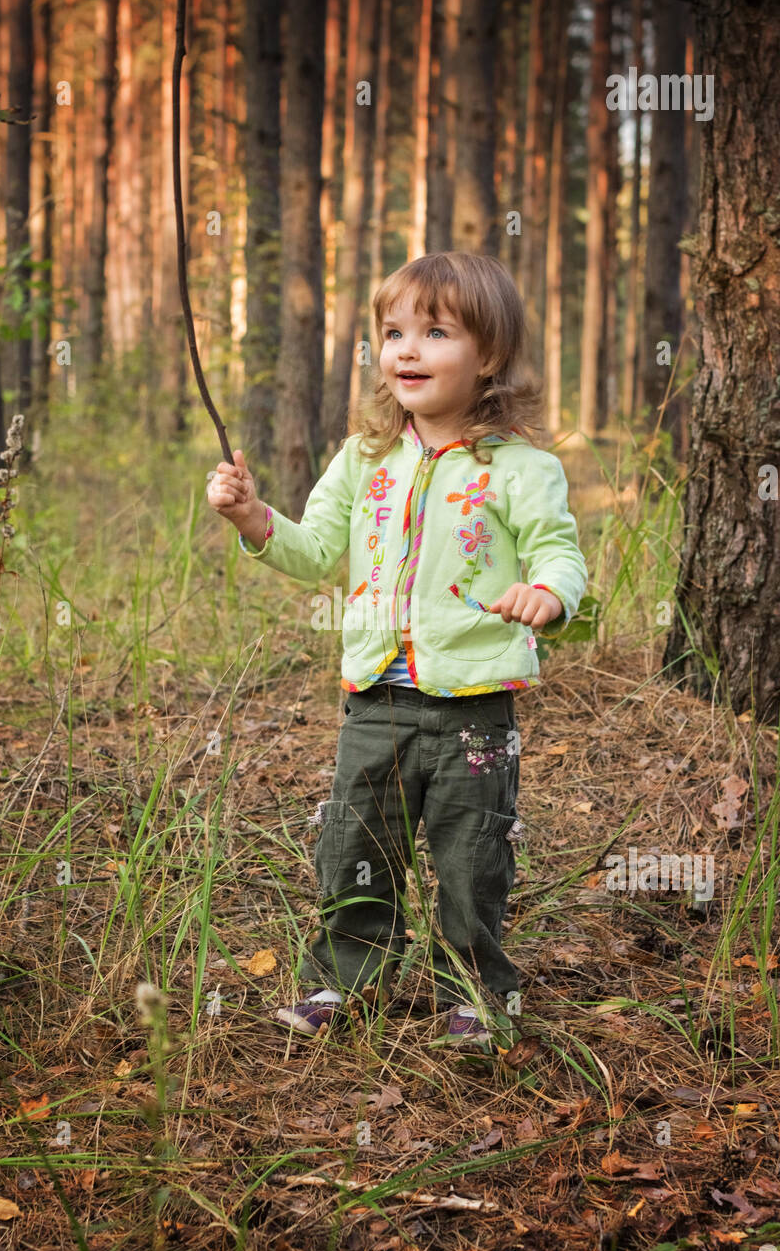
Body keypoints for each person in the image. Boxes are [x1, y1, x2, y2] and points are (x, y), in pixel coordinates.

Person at [207, 251, 587, 1050]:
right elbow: (313, 551)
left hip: (473, 708)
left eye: (435, 332)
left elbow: (559, 553)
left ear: (487, 356)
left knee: (471, 856)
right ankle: (347, 974)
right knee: (353, 845)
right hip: (374, 699)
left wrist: (547, 595)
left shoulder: (520, 469)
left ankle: (480, 994)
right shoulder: (366, 460)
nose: (406, 349)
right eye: (393, 332)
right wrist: (253, 519)